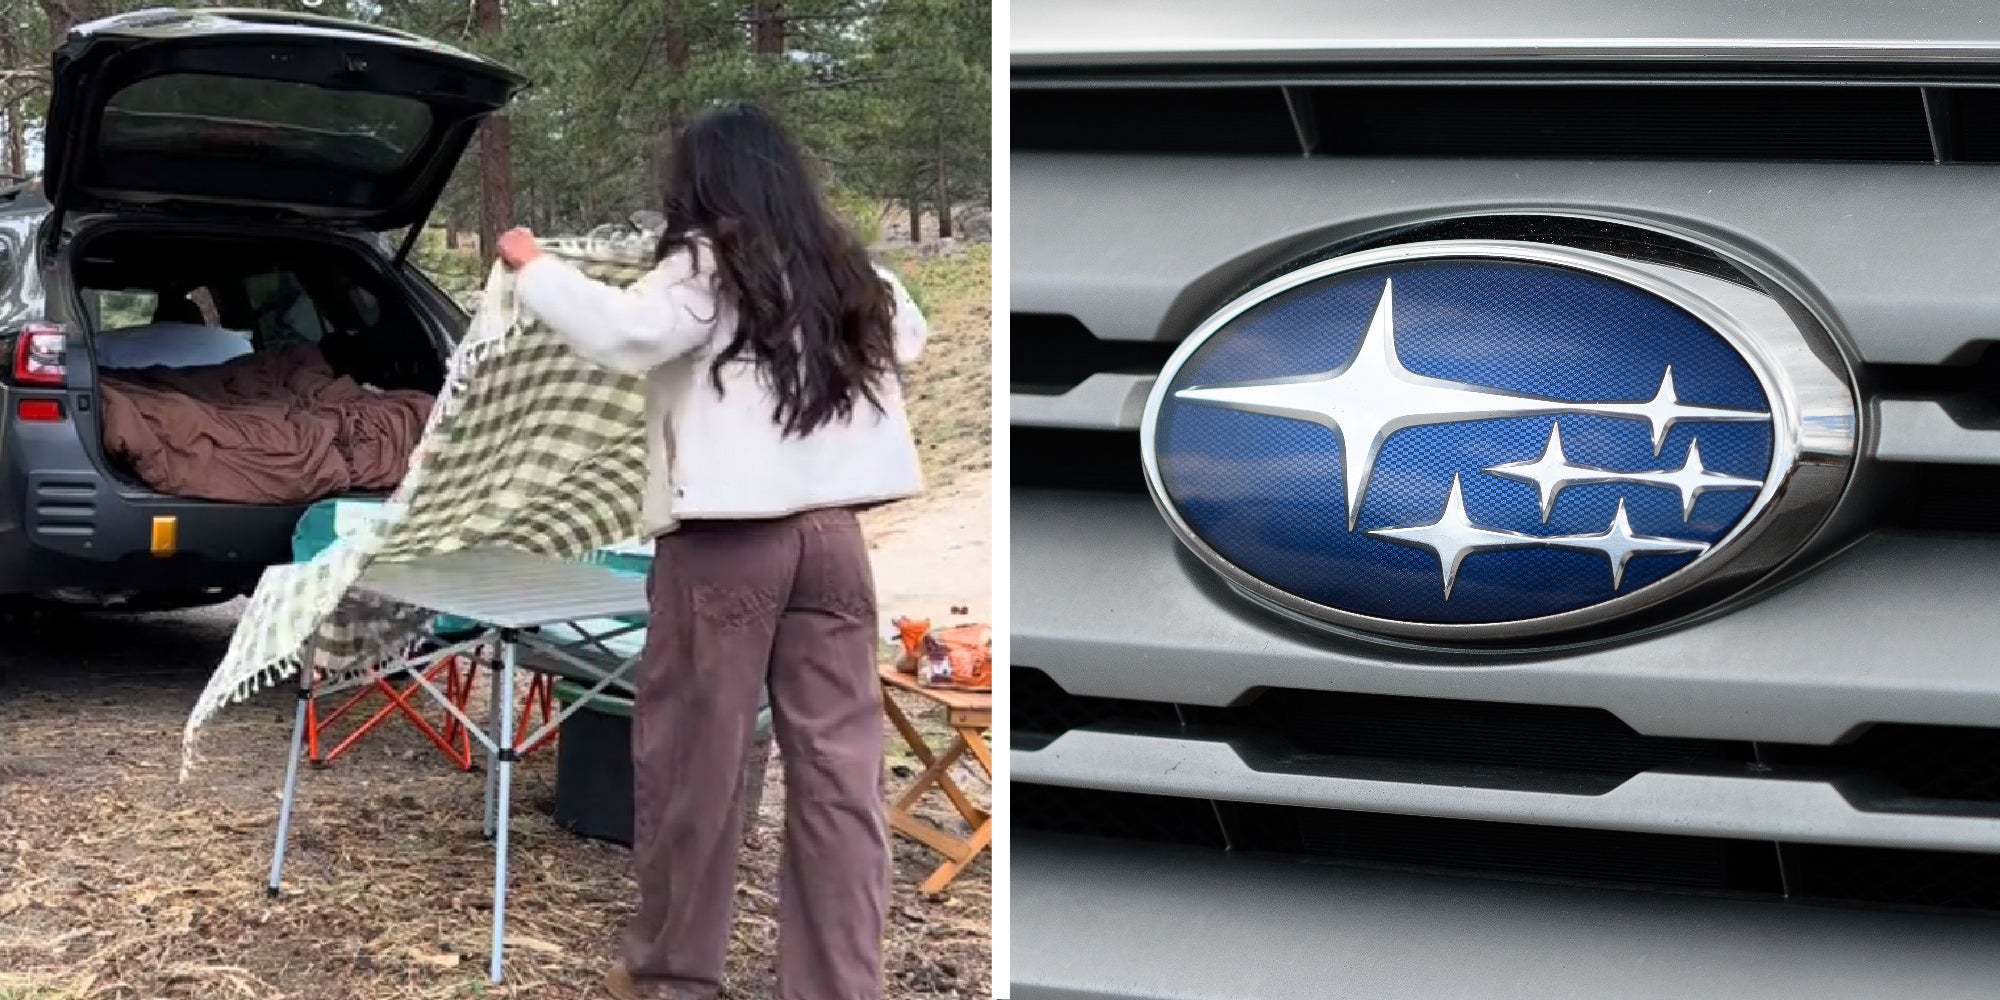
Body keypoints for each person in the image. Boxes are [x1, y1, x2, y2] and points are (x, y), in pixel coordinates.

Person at [495, 101, 926, 1000]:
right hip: (836, 544)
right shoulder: (854, 272)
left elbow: (622, 333)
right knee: (841, 779)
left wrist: (533, 266)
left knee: (697, 770)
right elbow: (910, 339)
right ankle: (840, 986)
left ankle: (672, 975)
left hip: (726, 548)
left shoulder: (703, 268)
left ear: (702, 186)